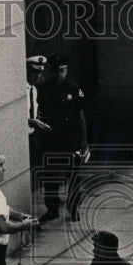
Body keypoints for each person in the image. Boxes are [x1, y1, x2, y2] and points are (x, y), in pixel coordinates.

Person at [37, 54, 88, 222]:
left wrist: (83, 142)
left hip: (69, 139)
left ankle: (74, 208)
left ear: (67, 71)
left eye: (62, 71)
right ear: (51, 71)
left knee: (72, 175)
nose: (59, 74)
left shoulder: (74, 89)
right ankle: (52, 209)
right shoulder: (43, 89)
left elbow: (81, 117)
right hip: (50, 139)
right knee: (50, 176)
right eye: (56, 71)